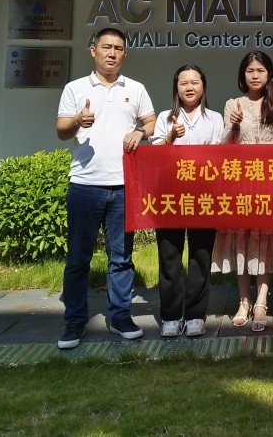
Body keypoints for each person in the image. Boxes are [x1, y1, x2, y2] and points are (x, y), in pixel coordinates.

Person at [54, 27, 157, 350]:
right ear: (93, 51)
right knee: (78, 258)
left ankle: (121, 317)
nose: (112, 53)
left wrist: (141, 132)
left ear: (125, 54)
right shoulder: (75, 88)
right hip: (85, 185)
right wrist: (77, 121)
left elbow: (151, 121)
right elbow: (61, 130)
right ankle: (74, 321)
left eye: (118, 48)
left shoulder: (136, 89)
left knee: (121, 258)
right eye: (106, 47)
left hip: (124, 186)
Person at [213, 51, 273, 333]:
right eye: (250, 70)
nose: (255, 75)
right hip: (240, 183)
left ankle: (261, 300)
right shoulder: (232, 104)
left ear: (269, 75)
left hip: (269, 182)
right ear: (243, 75)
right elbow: (224, 145)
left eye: (260, 70)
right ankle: (243, 300)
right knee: (242, 239)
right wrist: (234, 126)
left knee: (266, 238)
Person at [150, 64, 224, 338]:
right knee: (169, 255)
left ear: (203, 86)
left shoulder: (215, 118)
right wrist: (170, 138)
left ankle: (195, 315)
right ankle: (171, 317)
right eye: (184, 83)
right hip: (169, 194)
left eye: (195, 82)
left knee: (200, 255)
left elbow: (218, 156)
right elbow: (154, 155)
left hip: (203, 194)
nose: (189, 87)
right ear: (176, 88)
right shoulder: (164, 117)